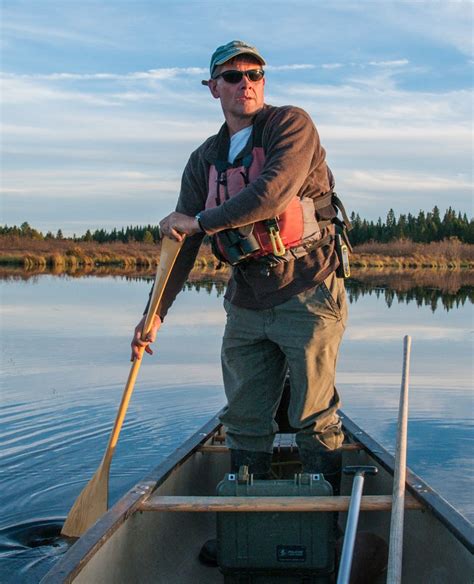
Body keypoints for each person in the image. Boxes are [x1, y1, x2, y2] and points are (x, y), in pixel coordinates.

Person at [131, 40, 349, 490]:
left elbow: (273, 192)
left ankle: (322, 523)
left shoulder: (291, 124)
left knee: (312, 414)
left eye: (255, 74)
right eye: (233, 76)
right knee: (245, 417)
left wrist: (199, 222)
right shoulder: (204, 158)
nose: (245, 84)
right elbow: (182, 243)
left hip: (307, 288)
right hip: (247, 299)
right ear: (214, 88)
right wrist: (154, 315)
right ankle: (246, 521)